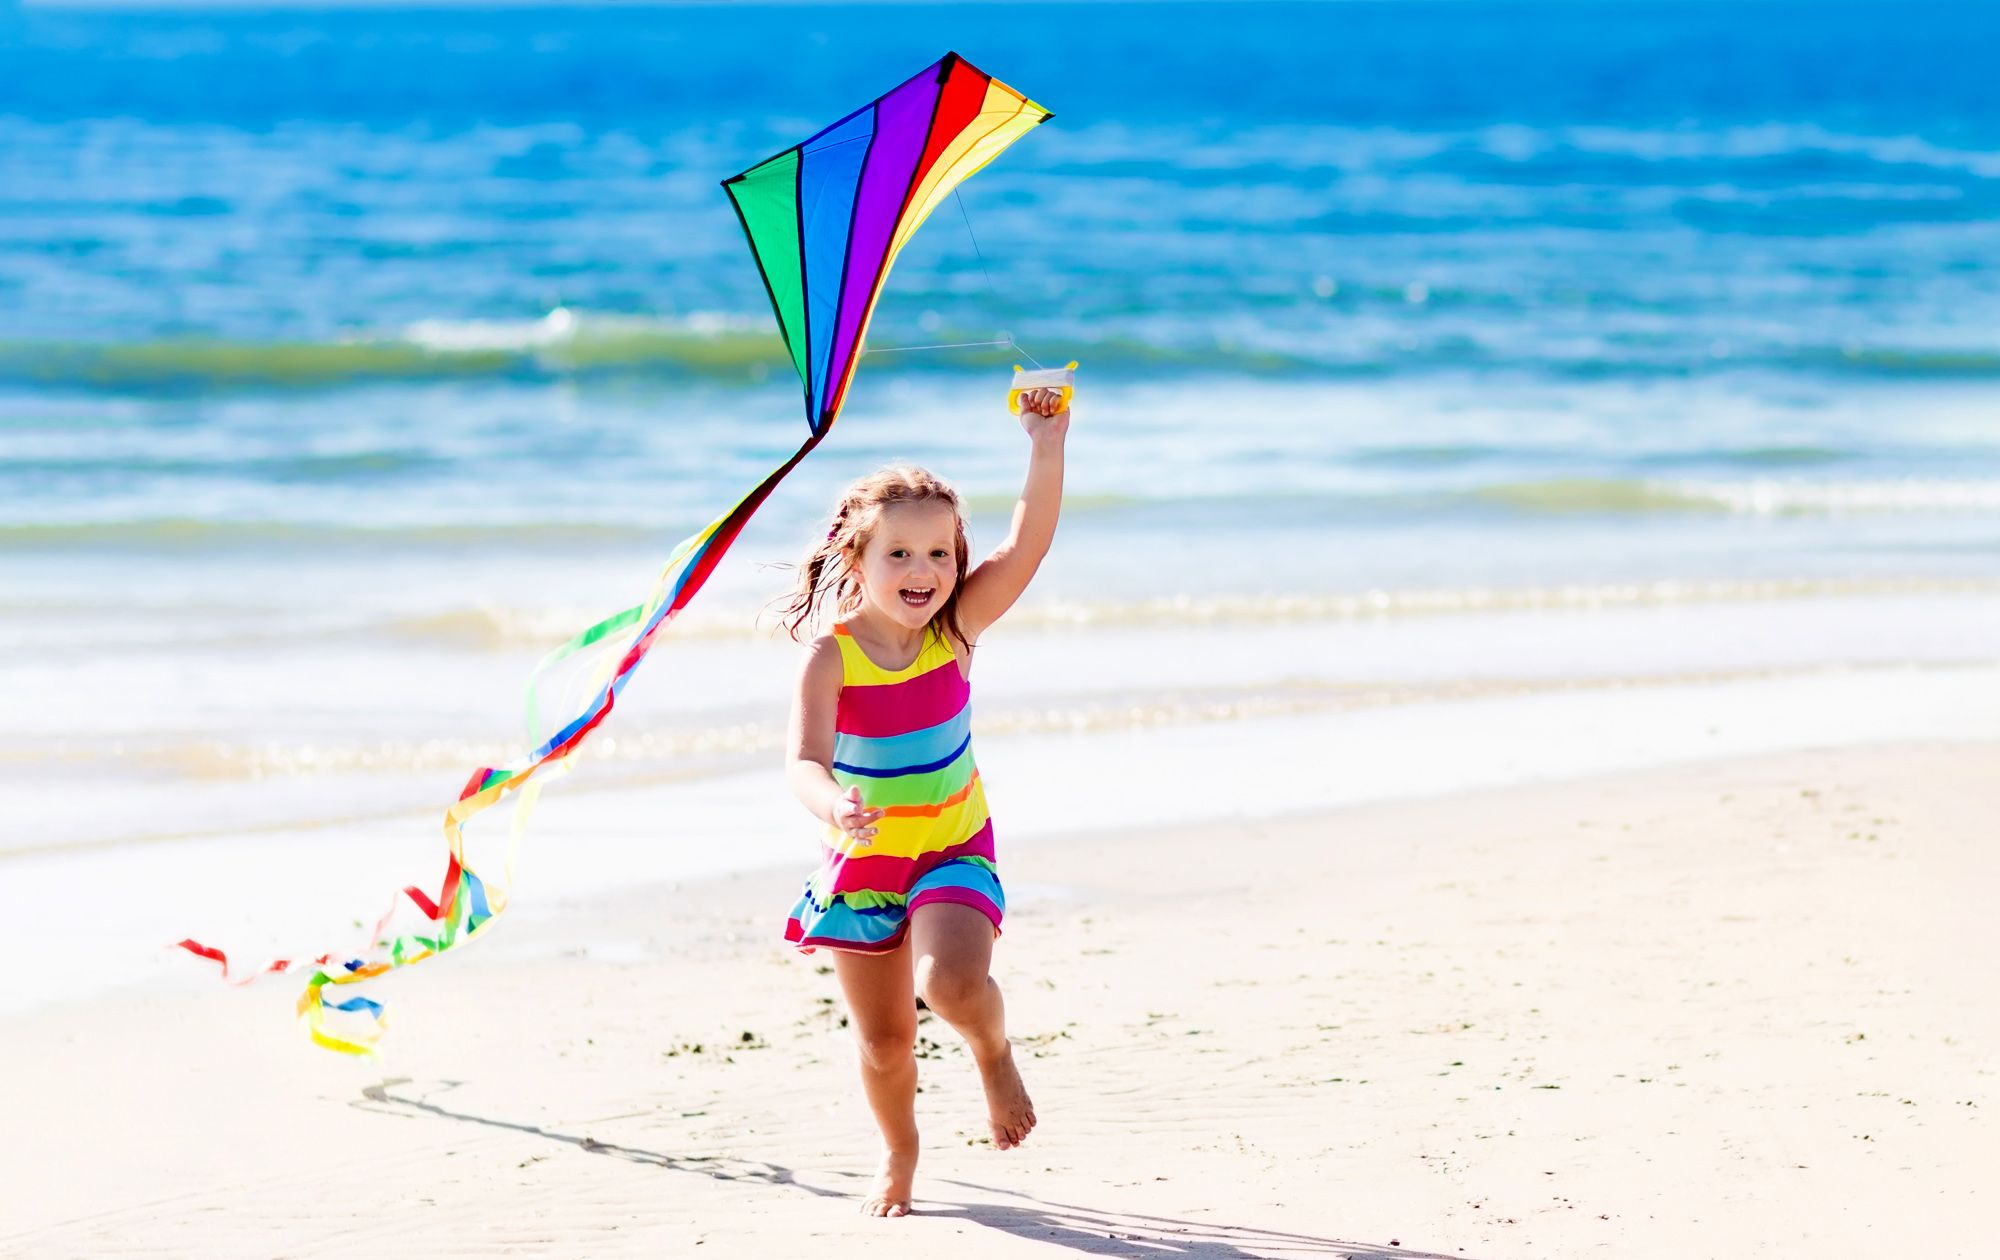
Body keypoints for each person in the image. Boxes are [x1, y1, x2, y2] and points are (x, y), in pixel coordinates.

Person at [776, 385, 1071, 1217]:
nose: (924, 572)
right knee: (883, 1041)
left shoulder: (956, 632)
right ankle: (900, 1150)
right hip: (863, 865)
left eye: (940, 555)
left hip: (950, 848)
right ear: (856, 559)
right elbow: (802, 760)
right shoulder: (829, 659)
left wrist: (1045, 445)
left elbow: (1027, 548)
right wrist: (833, 806)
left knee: (949, 984)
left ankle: (991, 1048)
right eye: (899, 555)